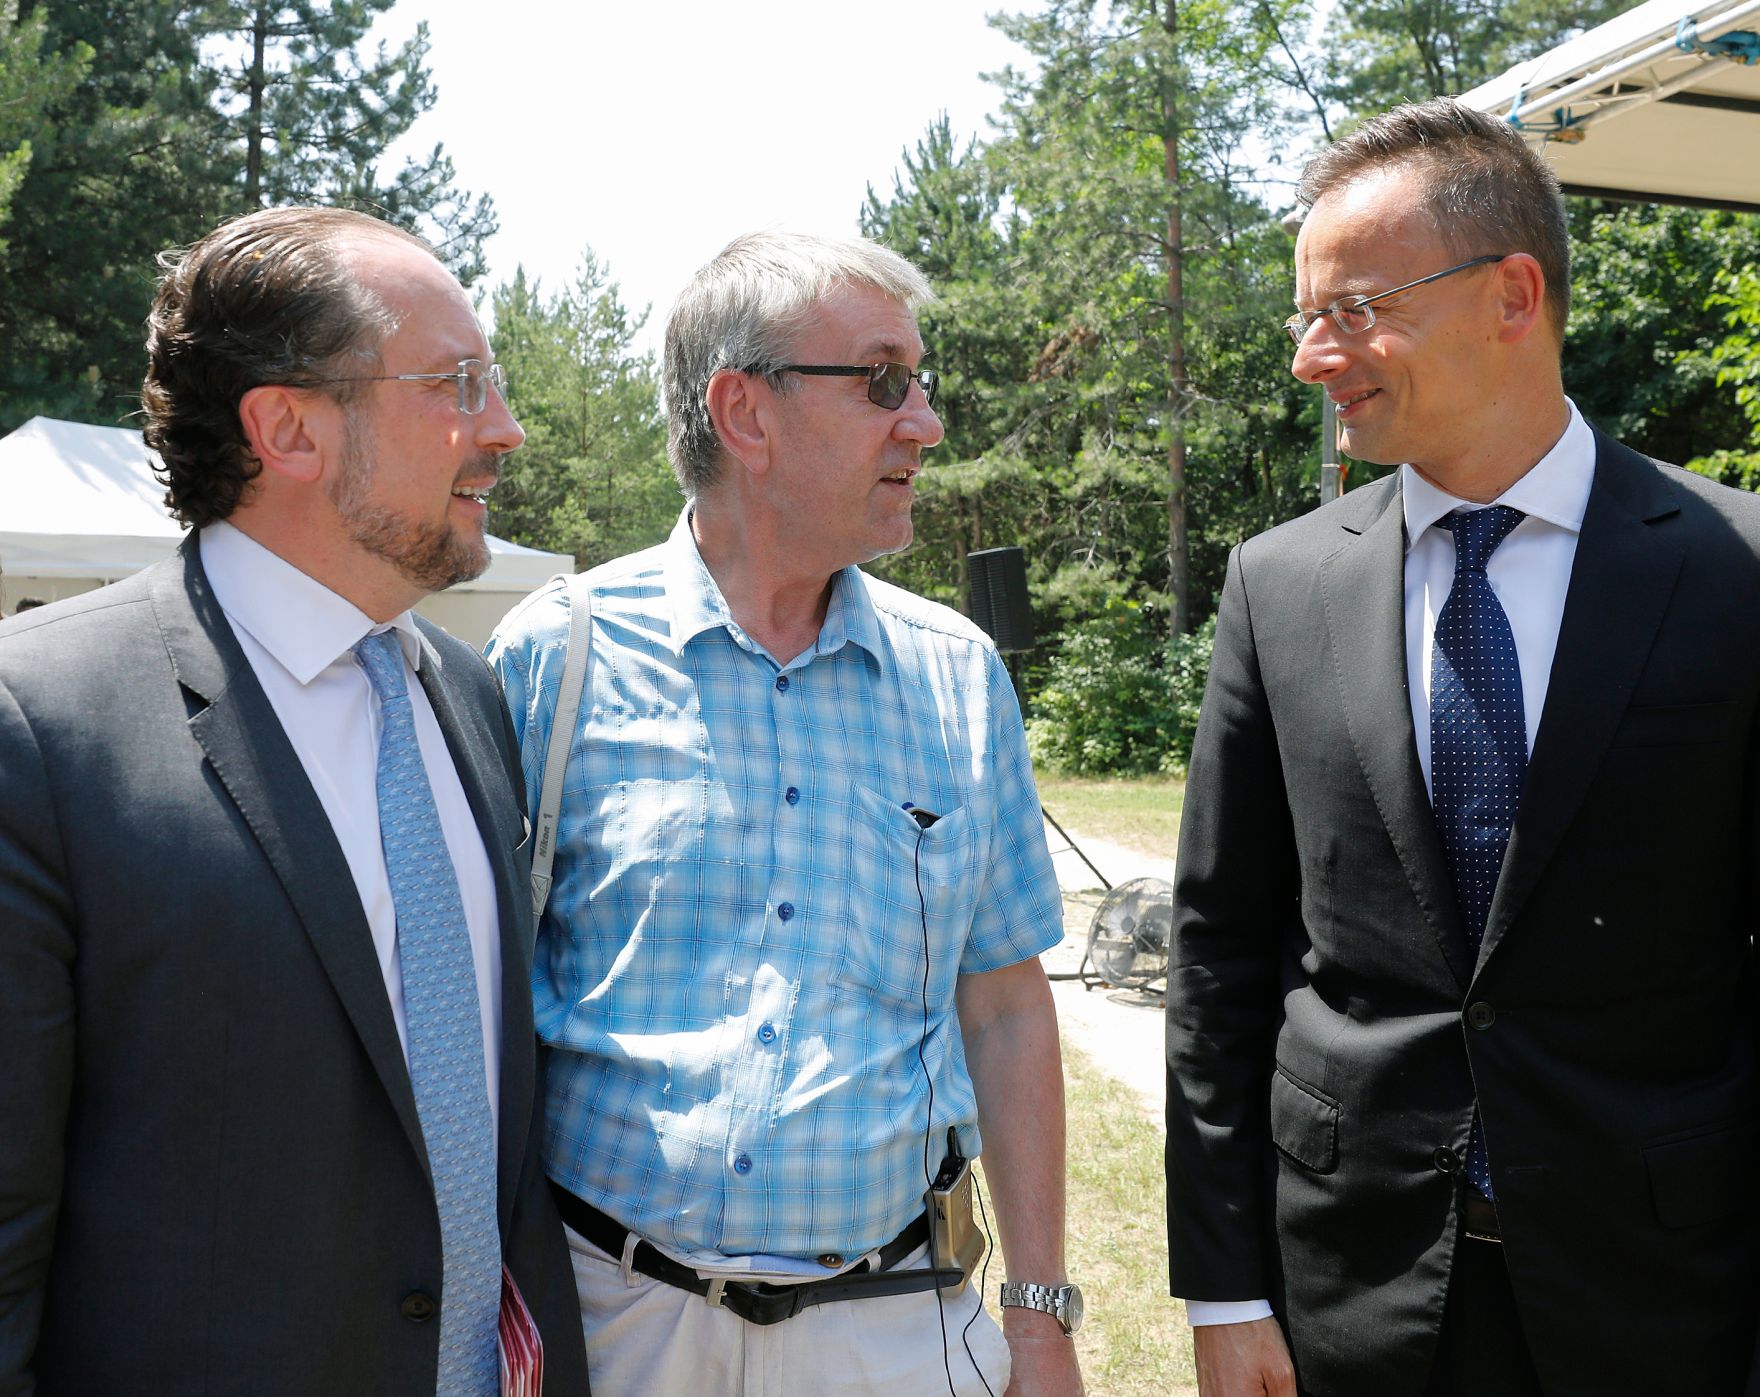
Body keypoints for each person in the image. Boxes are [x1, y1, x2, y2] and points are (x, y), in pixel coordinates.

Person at [1165, 97, 1760, 1397]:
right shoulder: (1280, 585)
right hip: (1352, 1299)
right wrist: (1222, 1284)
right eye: (1305, 317)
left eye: (1353, 309)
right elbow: (1219, 950)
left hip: (1665, 1299)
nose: (1312, 358)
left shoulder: (1735, 569)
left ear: (1511, 294)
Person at [0, 206, 589, 1395]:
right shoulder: (42, 724)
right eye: (456, 383)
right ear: (289, 429)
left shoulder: (470, 695)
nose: (505, 428)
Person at [488, 230, 1085, 1397]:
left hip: (893, 1332)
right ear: (743, 413)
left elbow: (1007, 1006)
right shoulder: (555, 656)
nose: (924, 423)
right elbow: (472, 1010)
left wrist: (1038, 1313)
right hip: (611, 1325)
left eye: (918, 381)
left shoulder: (956, 674)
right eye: (882, 381)